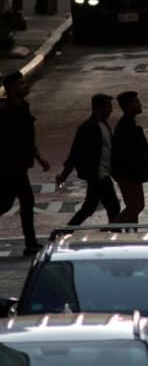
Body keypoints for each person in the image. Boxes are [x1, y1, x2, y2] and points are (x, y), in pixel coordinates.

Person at [0, 72, 52, 255]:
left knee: (10, 203)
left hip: (18, 165)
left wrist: (38, 158)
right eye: (21, 83)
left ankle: (31, 242)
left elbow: (26, 138)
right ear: (11, 87)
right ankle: (30, 243)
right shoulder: (4, 111)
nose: (25, 85)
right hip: (7, 166)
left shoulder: (23, 107)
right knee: (17, 202)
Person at [57, 93, 121, 226]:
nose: (111, 110)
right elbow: (75, 153)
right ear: (98, 108)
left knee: (90, 207)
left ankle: (66, 230)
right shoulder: (87, 128)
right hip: (98, 175)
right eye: (108, 107)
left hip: (102, 174)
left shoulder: (104, 125)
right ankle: (115, 231)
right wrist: (65, 174)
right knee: (113, 206)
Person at [112, 91, 148, 223]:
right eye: (136, 102)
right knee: (134, 206)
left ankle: (127, 229)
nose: (140, 105)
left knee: (137, 206)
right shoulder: (126, 127)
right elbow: (127, 153)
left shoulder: (130, 124)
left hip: (133, 174)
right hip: (129, 174)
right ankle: (111, 228)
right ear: (128, 106)